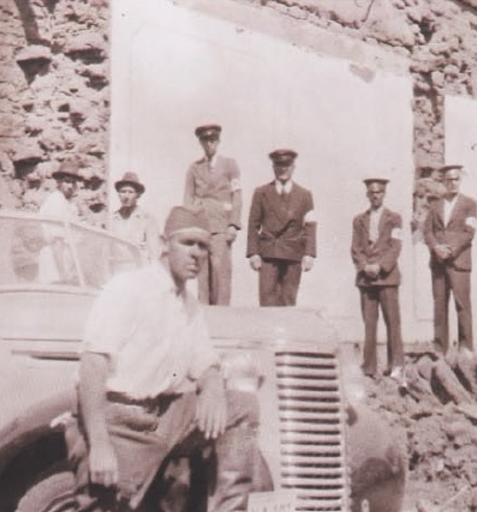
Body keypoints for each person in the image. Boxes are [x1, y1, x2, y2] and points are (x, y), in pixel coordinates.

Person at [68, 206, 268, 512]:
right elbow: (92, 366)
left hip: (166, 416)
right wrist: (100, 445)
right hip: (121, 419)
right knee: (106, 504)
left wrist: (213, 388)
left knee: (241, 406)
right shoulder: (129, 289)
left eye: (203, 246)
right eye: (187, 243)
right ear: (164, 243)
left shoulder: (189, 305)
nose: (197, 254)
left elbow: (206, 362)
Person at [246, 149, 316, 307]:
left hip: (293, 254)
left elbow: (310, 227)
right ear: (273, 167)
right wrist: (253, 253)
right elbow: (253, 225)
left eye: (287, 165)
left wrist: (309, 254)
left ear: (293, 167)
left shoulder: (305, 195)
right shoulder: (261, 193)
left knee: (289, 301)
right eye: (279, 165)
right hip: (268, 254)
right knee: (267, 301)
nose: (283, 169)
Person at [351, 178, 404, 378]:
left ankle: (396, 365)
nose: (376, 196)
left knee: (393, 322)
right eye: (372, 193)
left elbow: (395, 246)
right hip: (366, 279)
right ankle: (369, 366)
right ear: (367, 194)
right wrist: (365, 267)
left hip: (387, 278)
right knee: (370, 324)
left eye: (379, 192)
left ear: (384, 194)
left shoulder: (395, 218)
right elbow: (355, 248)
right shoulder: (359, 220)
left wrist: (380, 266)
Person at [183, 124, 242, 305]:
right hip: (200, 226)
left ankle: (222, 317)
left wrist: (233, 224)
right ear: (200, 143)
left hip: (221, 226)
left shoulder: (230, 165)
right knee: (202, 276)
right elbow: (188, 198)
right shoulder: (194, 168)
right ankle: (204, 319)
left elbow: (237, 196)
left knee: (220, 273)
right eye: (205, 141)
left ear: (218, 141)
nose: (209, 144)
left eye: (212, 140)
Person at [423, 164, 477, 353]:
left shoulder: (470, 204)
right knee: (439, 306)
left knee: (462, 304)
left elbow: (469, 233)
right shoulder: (435, 205)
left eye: (456, 179)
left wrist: (451, 250)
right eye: (449, 180)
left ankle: (466, 347)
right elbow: (427, 231)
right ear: (444, 182)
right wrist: (436, 248)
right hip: (438, 263)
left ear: (460, 180)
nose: (453, 183)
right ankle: (439, 348)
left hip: (459, 262)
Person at [37, 160, 83, 283]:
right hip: (55, 259)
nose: (70, 186)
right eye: (67, 182)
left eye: (73, 183)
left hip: (66, 257)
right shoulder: (56, 201)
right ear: (59, 182)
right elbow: (57, 240)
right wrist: (63, 273)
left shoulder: (69, 203)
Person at [110, 172, 160, 264]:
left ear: (138, 195)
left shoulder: (147, 219)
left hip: (138, 270)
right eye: (123, 191)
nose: (126, 196)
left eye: (130, 192)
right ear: (118, 194)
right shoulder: (111, 219)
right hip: (116, 270)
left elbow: (154, 253)